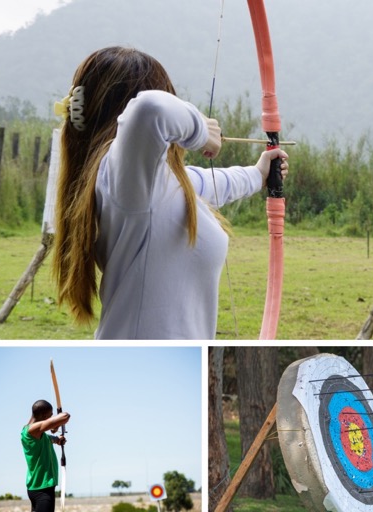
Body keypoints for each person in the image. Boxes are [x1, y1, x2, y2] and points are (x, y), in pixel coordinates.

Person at [52, 46, 288, 339]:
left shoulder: (147, 187)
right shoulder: (122, 182)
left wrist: (259, 174)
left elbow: (210, 183)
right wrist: (201, 130)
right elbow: (151, 110)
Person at [21, 400, 70, 512]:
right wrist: (56, 423)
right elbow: (65, 416)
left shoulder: (39, 434)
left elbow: (50, 438)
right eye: (50, 415)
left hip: (39, 487)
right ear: (43, 415)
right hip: (42, 489)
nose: (51, 417)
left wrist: (57, 440)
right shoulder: (31, 430)